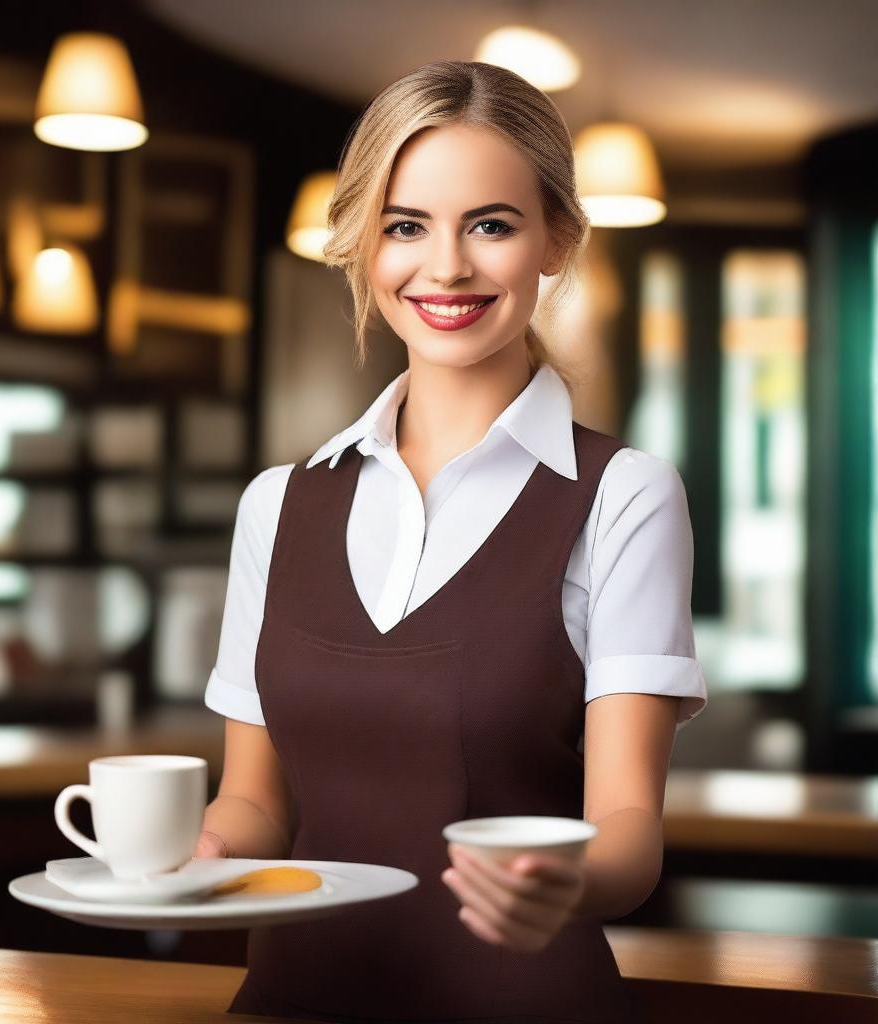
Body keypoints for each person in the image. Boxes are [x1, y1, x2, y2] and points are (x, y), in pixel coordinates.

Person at [198, 59, 707, 1024]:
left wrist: (566, 879)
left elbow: (630, 829)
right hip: (293, 1002)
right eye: (405, 226)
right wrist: (200, 855)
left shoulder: (621, 495)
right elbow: (257, 804)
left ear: (555, 238)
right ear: (362, 244)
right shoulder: (278, 504)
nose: (446, 268)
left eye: (491, 224)